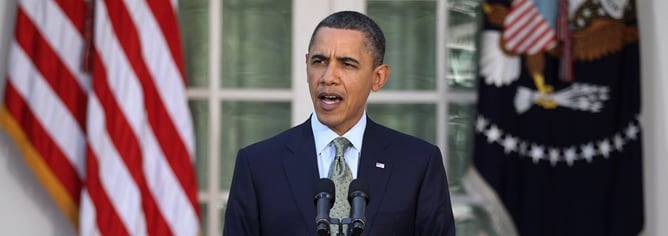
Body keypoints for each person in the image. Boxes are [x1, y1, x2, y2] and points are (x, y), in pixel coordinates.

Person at [223, 11, 455, 236]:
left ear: (378, 78)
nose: (328, 77)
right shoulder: (258, 165)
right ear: (306, 65)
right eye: (319, 61)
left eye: (347, 64)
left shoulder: (418, 164)